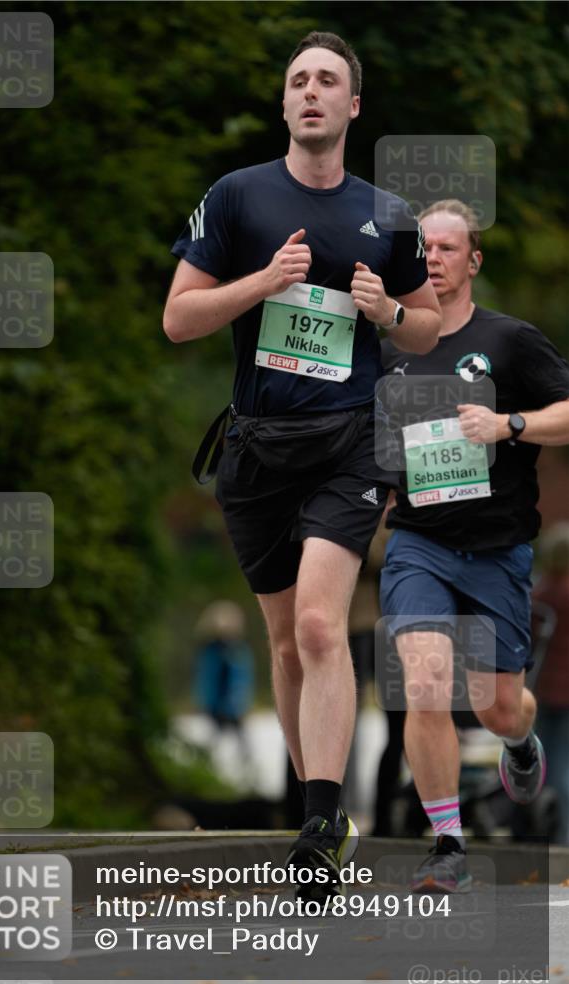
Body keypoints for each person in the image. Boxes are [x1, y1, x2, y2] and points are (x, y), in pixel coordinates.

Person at [164, 30, 440, 898]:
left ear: (351, 106)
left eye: (327, 80)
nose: (310, 91)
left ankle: (320, 825)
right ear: (284, 103)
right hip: (256, 447)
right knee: (284, 643)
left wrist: (387, 311)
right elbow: (178, 319)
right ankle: (320, 811)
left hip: (348, 442)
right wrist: (261, 282)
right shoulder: (237, 197)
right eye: (298, 81)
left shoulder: (387, 215)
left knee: (321, 627)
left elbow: (429, 328)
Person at [379, 198, 569, 891]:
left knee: (496, 707)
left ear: (473, 261)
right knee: (425, 683)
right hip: (418, 542)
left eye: (447, 248)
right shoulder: (389, 348)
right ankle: (448, 844)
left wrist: (508, 424)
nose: (432, 259)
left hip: (495, 549)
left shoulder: (510, 340)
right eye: (422, 248)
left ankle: (519, 741)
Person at [532, 523, 569, 845]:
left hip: (545, 690)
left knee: (547, 765)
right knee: (564, 765)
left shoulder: (541, 593)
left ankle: (548, 833)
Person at [193, 600, 255, 768]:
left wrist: (237, 701)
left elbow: (241, 679)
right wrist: (207, 702)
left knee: (234, 736)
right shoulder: (212, 651)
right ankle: (205, 764)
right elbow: (207, 680)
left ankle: (244, 766)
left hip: (231, 705)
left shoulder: (236, 651)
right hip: (217, 704)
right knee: (223, 734)